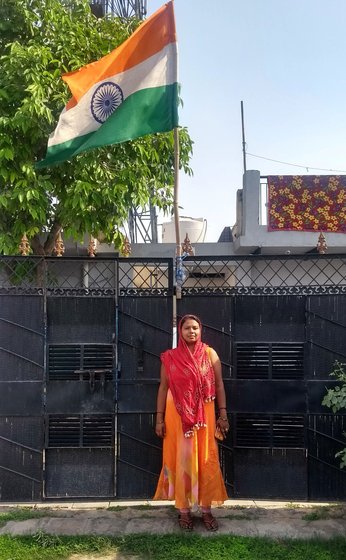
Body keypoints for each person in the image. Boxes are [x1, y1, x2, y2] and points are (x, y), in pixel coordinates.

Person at [153, 314, 229, 531]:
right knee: (181, 458)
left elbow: (220, 385)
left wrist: (222, 414)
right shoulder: (170, 357)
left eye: (195, 327)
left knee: (205, 458)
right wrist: (159, 418)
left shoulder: (210, 354)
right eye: (187, 328)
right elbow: (163, 388)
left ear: (200, 329)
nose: (192, 331)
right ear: (181, 331)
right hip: (176, 414)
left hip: (205, 414)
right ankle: (184, 511)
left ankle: (206, 510)